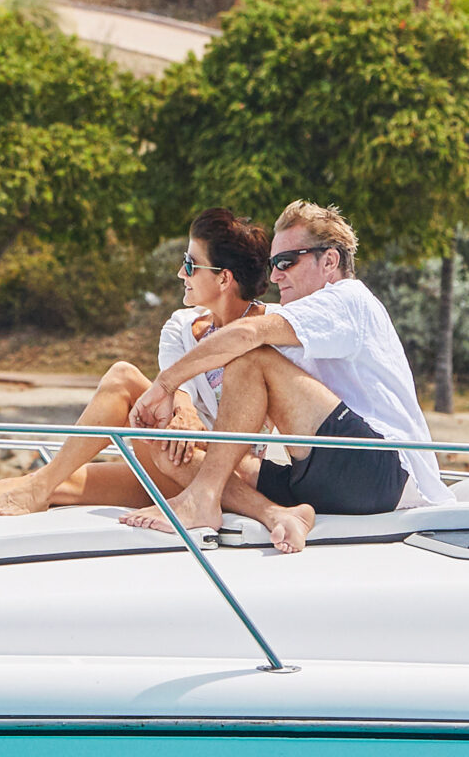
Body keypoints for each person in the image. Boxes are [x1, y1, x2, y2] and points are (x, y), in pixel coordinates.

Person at [0, 211, 275, 526]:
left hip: (227, 475)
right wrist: (181, 406)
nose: (180, 273)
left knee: (124, 378)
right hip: (172, 459)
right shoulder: (179, 326)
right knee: (63, 480)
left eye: (191, 265)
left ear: (224, 278)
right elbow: (175, 393)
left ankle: (32, 491)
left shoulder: (274, 330)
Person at [121, 201, 447, 550]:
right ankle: (278, 513)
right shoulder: (302, 325)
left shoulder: (349, 299)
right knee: (169, 450)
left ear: (330, 261)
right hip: (330, 478)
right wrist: (182, 426)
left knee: (250, 356)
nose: (275, 276)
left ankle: (203, 499)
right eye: (272, 264)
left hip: (385, 473)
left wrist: (166, 384)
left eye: (286, 262)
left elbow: (246, 336)